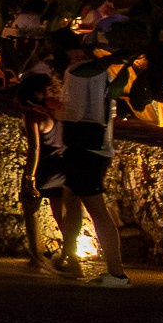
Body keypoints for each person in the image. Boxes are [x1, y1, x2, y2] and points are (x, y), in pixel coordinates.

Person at [58, 39, 127, 288]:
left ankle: (117, 274)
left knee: (96, 209)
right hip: (100, 146)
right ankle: (67, 255)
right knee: (71, 198)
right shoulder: (104, 72)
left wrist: (52, 108)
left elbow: (74, 111)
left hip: (82, 148)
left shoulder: (77, 73)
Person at [14, 74, 67, 273]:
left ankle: (37, 257)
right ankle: (71, 255)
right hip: (62, 166)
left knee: (31, 208)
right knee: (60, 213)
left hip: (44, 167)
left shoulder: (33, 116)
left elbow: (34, 148)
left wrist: (30, 177)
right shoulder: (57, 111)